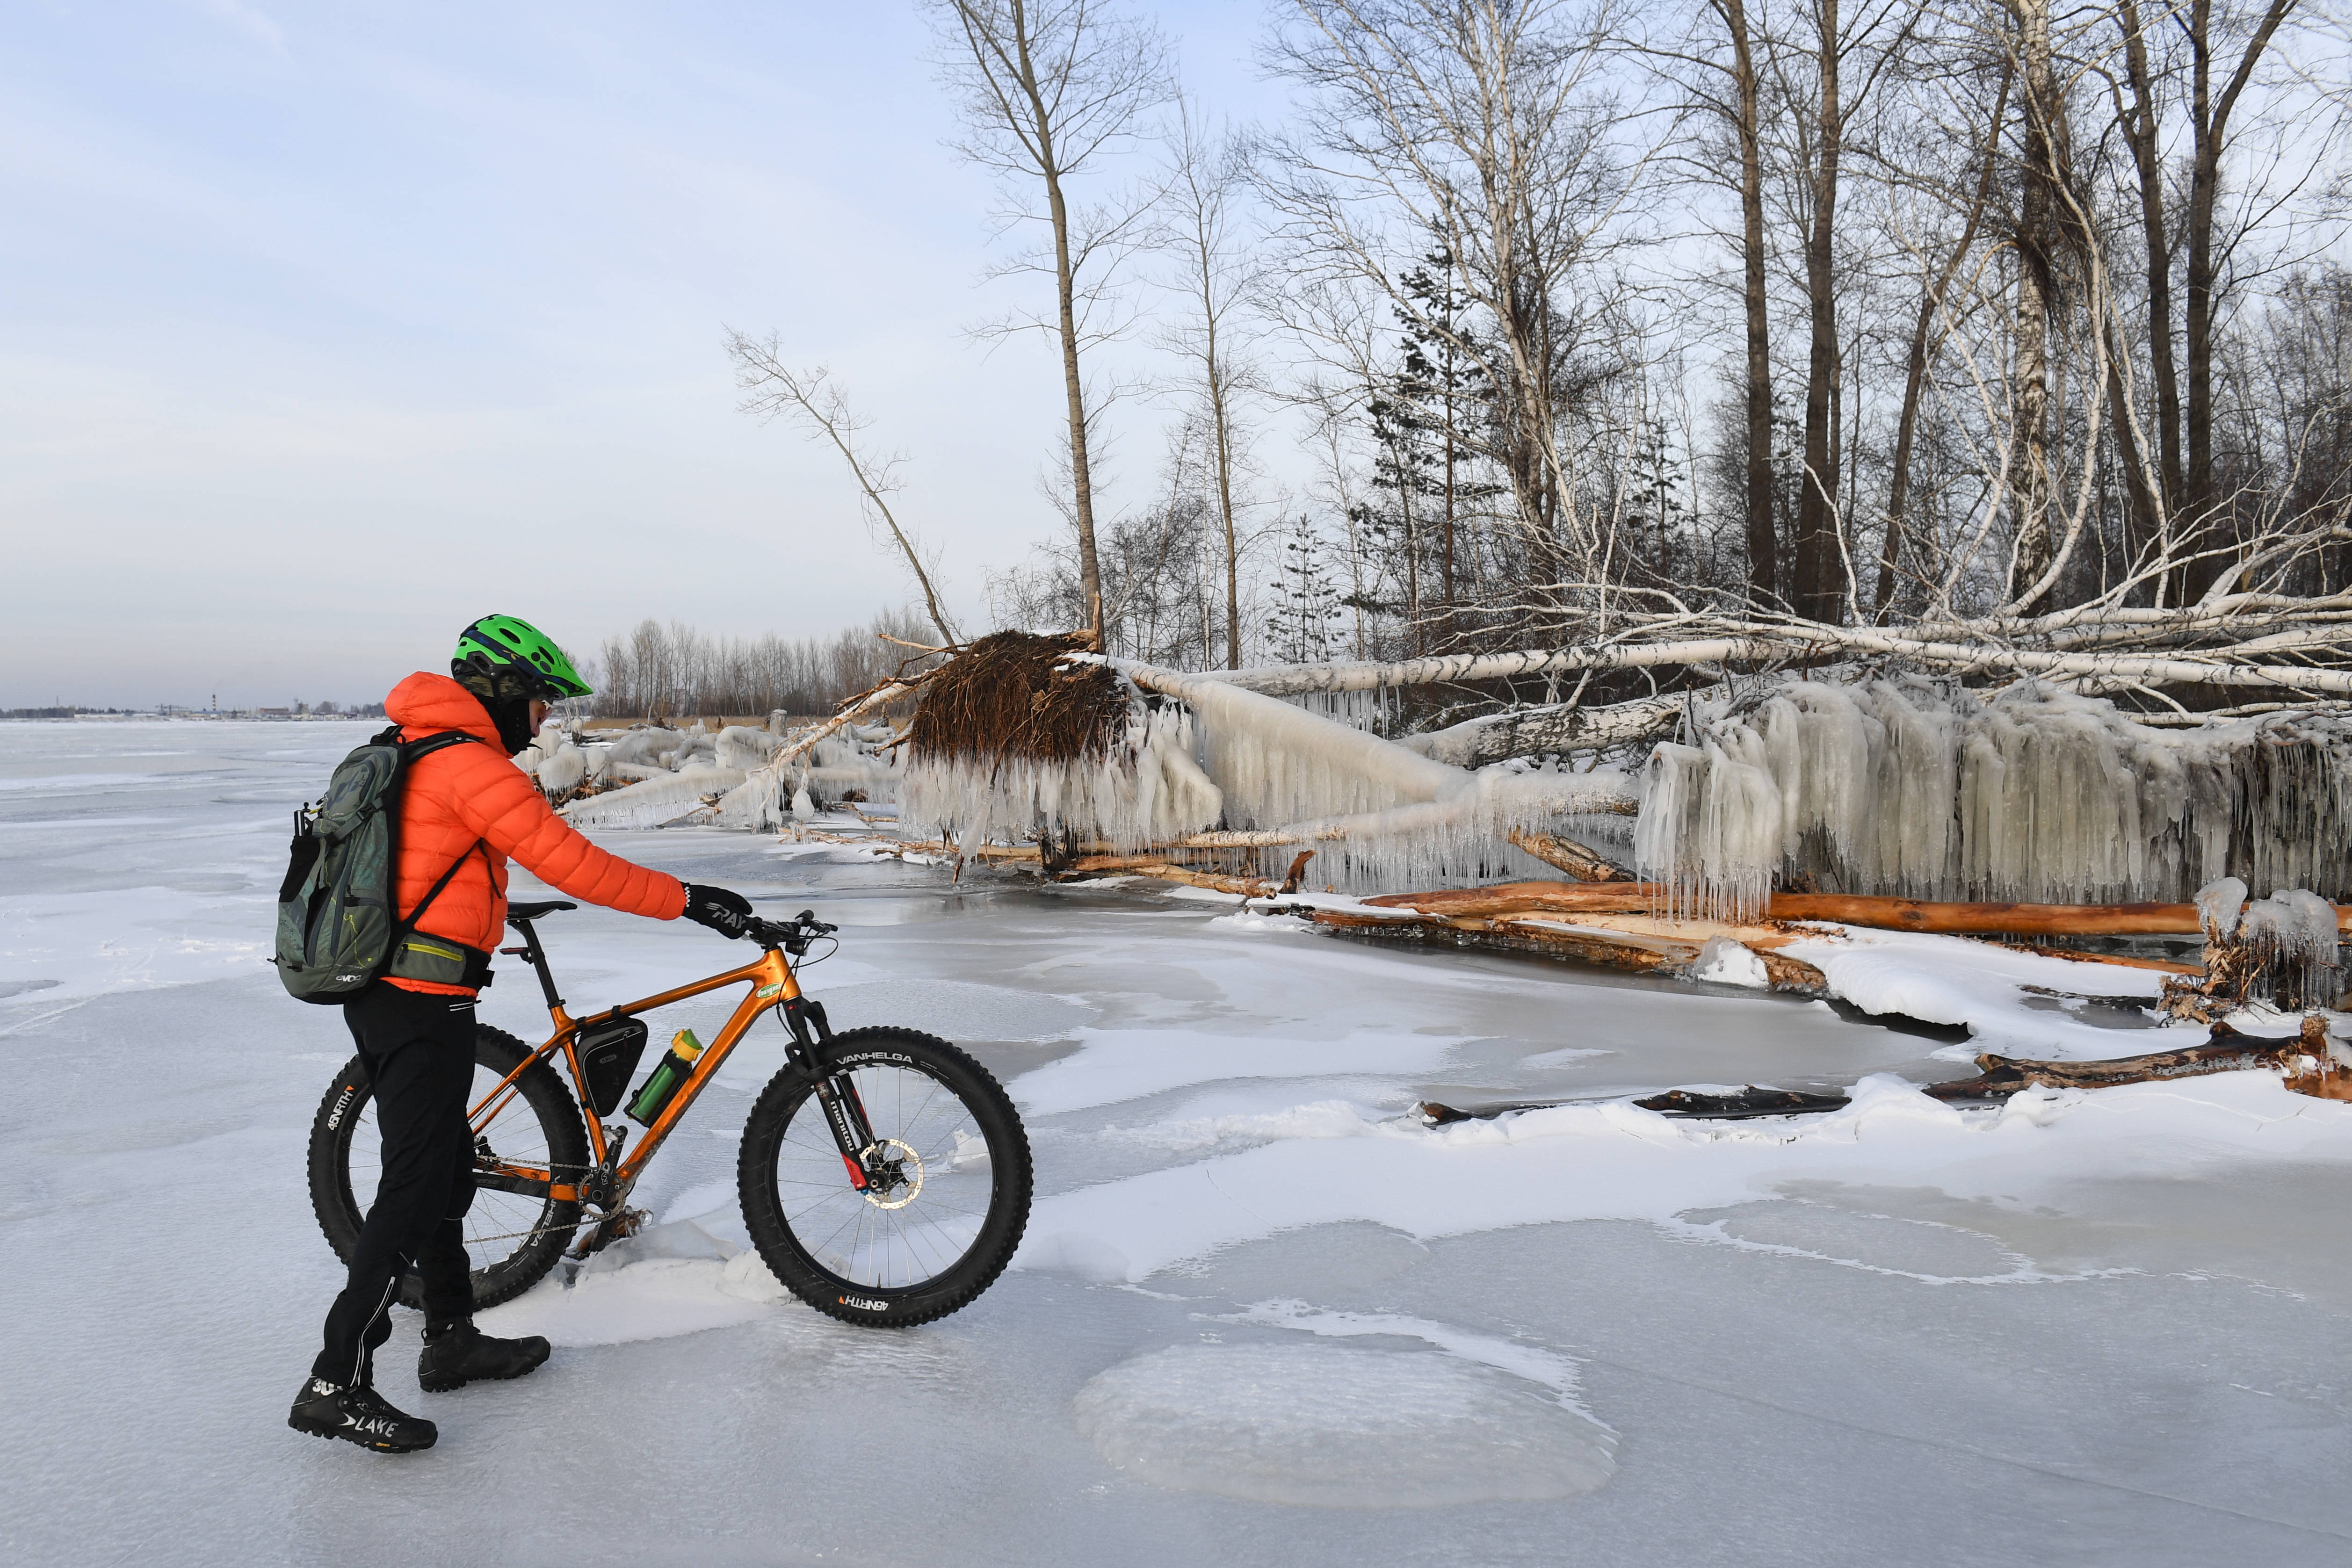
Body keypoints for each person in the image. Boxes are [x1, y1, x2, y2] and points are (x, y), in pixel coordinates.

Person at [289, 615, 756, 1454]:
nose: (544, 718)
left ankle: (450, 1337)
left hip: (415, 991)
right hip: (414, 994)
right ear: (501, 691)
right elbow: (574, 863)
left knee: (443, 1169)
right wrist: (691, 900)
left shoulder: (418, 743)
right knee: (413, 1181)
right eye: (539, 701)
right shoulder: (467, 763)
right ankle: (335, 1380)